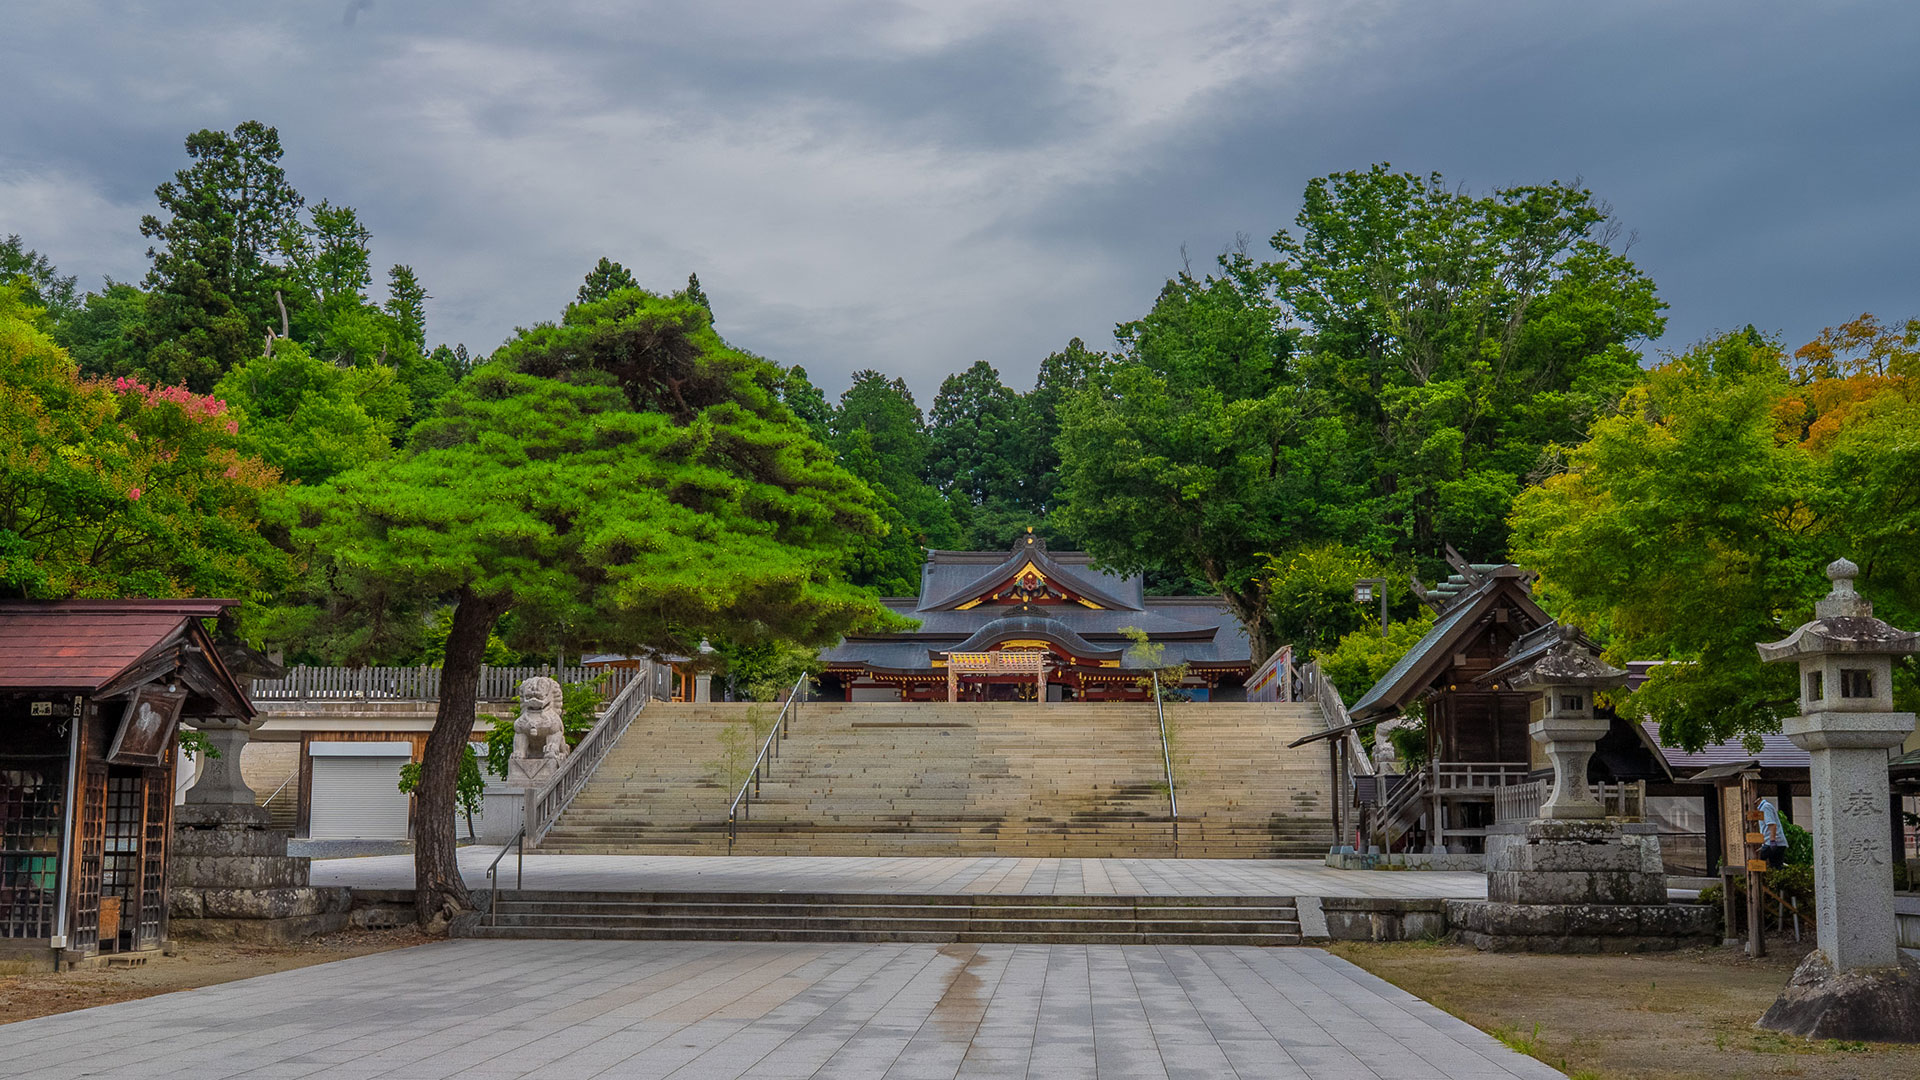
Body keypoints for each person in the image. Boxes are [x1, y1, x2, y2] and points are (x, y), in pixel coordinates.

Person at [1757, 796, 1788, 869]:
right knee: (1775, 867)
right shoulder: (1762, 808)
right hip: (1771, 842)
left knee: (1758, 860)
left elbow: (1772, 824)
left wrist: (1772, 840)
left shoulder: (1765, 807)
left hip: (1773, 842)